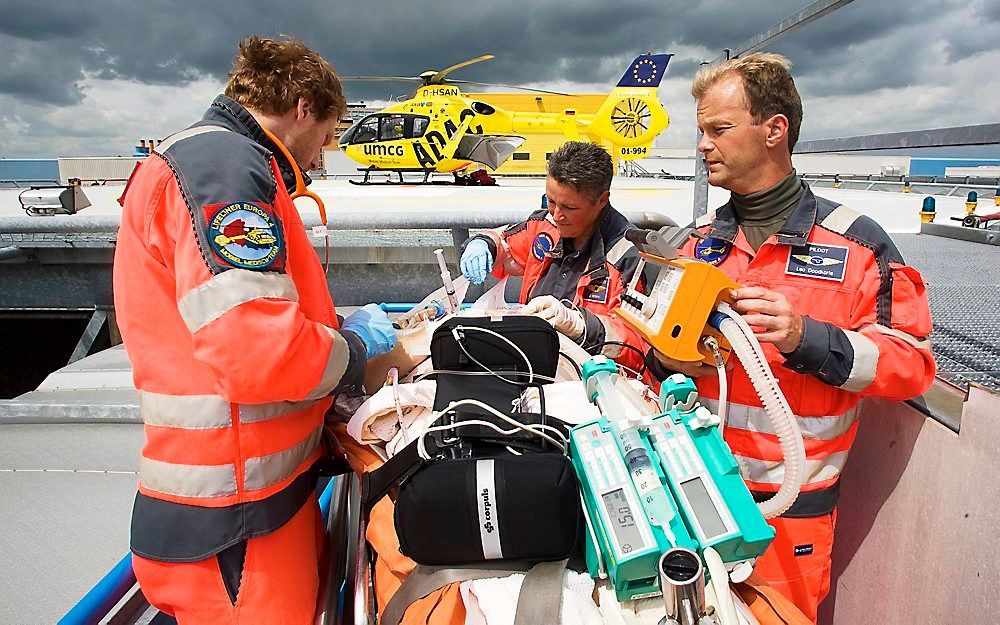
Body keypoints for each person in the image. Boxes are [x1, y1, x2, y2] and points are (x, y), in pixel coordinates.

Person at [113, 36, 396, 624]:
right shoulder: (225, 170)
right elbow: (257, 351)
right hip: (235, 519)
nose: (320, 158)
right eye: (327, 134)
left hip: (251, 504)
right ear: (301, 107)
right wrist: (358, 350)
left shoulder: (209, 163)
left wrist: (334, 330)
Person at [645, 53, 935, 621]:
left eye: (719, 130)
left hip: (787, 518)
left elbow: (912, 364)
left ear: (774, 130)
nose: (703, 145)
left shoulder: (857, 246)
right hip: (686, 499)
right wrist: (671, 359)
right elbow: (652, 357)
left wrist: (806, 337)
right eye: (700, 130)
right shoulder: (694, 245)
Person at [458, 141, 646, 372]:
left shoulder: (628, 258)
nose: (557, 215)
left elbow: (639, 349)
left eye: (569, 207)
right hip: (528, 361)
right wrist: (484, 244)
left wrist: (579, 325)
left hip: (589, 381)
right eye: (551, 201)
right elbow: (506, 247)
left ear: (601, 201)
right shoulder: (544, 227)